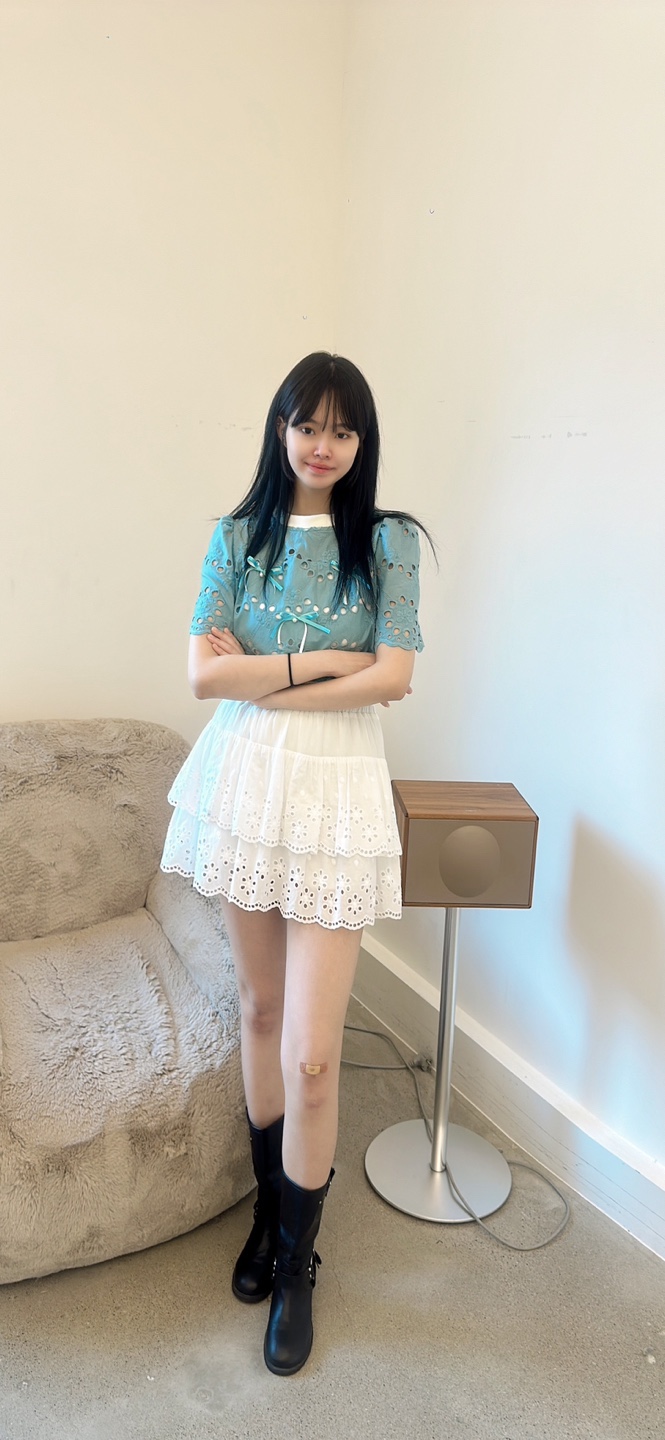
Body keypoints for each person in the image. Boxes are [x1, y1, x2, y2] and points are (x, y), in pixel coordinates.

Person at [161, 351, 429, 1377]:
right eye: (306, 424)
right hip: (244, 781)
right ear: (279, 429)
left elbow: (394, 676)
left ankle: (299, 1264)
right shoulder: (236, 538)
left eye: (342, 429)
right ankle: (270, 1221)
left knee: (314, 1052)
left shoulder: (388, 542)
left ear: (362, 443)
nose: (323, 444)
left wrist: (263, 675)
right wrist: (326, 662)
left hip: (335, 792)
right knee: (261, 1012)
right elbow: (201, 676)